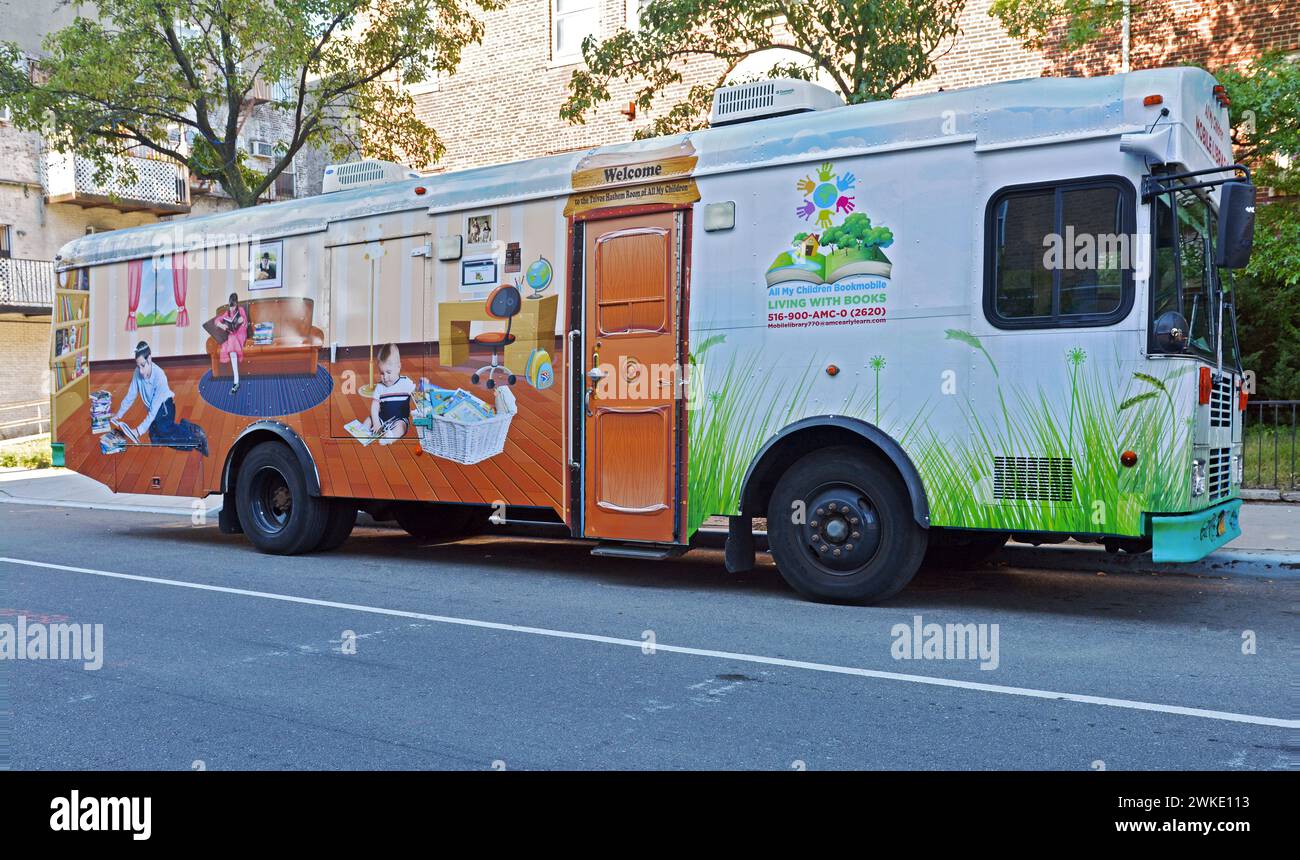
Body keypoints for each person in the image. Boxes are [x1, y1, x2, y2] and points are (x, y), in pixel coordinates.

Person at [113, 341, 209, 457]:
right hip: (154, 409)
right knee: (156, 439)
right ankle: (184, 426)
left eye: (143, 365)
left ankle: (196, 439)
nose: (141, 371)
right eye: (138, 366)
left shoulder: (159, 377)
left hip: (165, 406)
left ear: (150, 359)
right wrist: (119, 414)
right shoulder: (137, 372)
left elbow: (154, 410)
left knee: (164, 430)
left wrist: (138, 431)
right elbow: (131, 395)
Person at [364, 343, 414, 444]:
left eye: (388, 372)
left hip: (399, 419)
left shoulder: (406, 382)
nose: (385, 377)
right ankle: (364, 434)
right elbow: (374, 407)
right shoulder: (380, 387)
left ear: (398, 367)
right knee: (368, 420)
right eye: (382, 373)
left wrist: (423, 387)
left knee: (401, 427)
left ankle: (390, 437)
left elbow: (417, 396)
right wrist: (377, 422)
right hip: (383, 418)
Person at [216, 292, 248, 395]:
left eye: (234, 306)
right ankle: (236, 381)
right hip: (232, 336)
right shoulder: (227, 312)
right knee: (231, 349)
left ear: (237, 304)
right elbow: (217, 320)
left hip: (241, 334)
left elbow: (245, 323)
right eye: (231, 306)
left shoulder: (241, 310)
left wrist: (241, 320)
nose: (232, 308)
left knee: (232, 342)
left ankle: (236, 381)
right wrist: (222, 325)